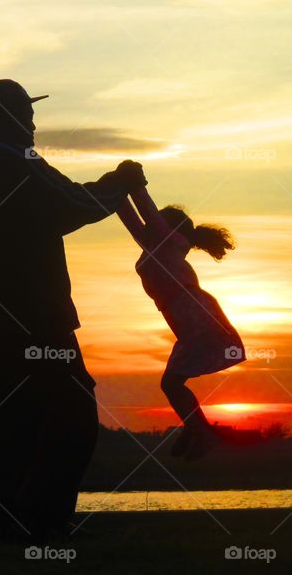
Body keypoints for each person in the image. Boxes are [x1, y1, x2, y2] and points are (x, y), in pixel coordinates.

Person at [0, 78, 146, 539]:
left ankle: (6, 525)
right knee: (71, 415)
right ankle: (44, 522)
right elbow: (70, 203)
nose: (35, 121)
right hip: (31, 319)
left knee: (10, 425)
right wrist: (120, 183)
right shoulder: (16, 160)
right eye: (27, 111)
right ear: (7, 117)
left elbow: (62, 203)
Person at [117, 186, 246, 459]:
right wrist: (112, 192)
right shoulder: (154, 246)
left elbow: (148, 214)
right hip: (186, 319)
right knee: (172, 383)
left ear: (169, 227)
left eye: (159, 222)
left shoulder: (172, 242)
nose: (153, 225)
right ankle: (197, 429)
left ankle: (199, 431)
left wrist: (136, 185)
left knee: (171, 384)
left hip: (196, 315)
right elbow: (133, 222)